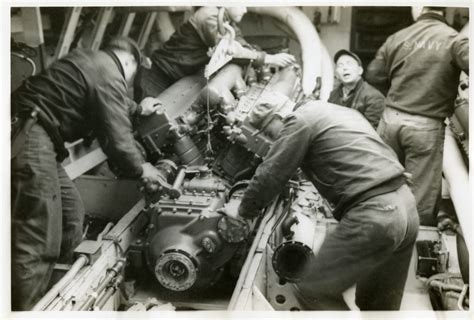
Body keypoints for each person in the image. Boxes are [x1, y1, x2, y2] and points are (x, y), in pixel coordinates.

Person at [11, 36, 165, 311]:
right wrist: (143, 168)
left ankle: (59, 289)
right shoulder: (110, 72)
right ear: (130, 62)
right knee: (39, 234)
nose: (128, 85)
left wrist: (138, 108)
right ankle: (28, 309)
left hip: (36, 137)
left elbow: (110, 103)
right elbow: (118, 138)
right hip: (31, 138)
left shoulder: (93, 61)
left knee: (71, 217)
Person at [230, 99, 419, 310]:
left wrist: (243, 213)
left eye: (268, 130)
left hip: (376, 214)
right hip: (405, 205)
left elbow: (271, 173)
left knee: (314, 290)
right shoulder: (336, 111)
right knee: (377, 308)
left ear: (278, 117)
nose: (272, 138)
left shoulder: (299, 121)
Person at [365, 6, 469, 226]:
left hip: (390, 120)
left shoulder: (398, 37)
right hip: (425, 126)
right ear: (445, 13)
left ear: (420, 10)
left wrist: (399, 91)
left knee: (381, 188)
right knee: (418, 202)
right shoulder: (453, 39)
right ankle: (411, 256)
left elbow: (373, 74)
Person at [134, 6, 296, 101]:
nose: (245, 10)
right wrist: (269, 58)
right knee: (152, 127)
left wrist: (260, 55)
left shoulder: (225, 20)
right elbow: (232, 51)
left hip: (176, 77)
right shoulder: (209, 17)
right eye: (242, 4)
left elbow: (241, 44)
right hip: (157, 76)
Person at [328, 49, 384, 129]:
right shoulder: (333, 95)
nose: (345, 68)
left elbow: (371, 132)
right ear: (336, 74)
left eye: (349, 64)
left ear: (360, 71)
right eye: (340, 65)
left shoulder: (374, 97)